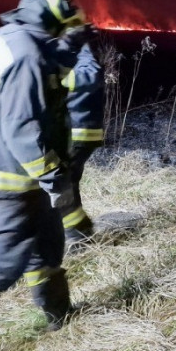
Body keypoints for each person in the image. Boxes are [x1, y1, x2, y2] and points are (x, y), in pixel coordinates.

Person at [0, 0, 82, 351]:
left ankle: (60, 315)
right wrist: (54, 177)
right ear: (45, 5)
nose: (72, 7)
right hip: (10, 178)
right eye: (66, 1)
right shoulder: (25, 51)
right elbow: (24, 128)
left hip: (20, 175)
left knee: (46, 247)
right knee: (0, 266)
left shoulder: (13, 38)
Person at [57, 39, 105, 249]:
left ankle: (77, 238)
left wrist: (54, 79)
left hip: (76, 133)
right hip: (75, 133)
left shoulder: (78, 51)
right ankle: (77, 234)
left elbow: (91, 73)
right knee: (66, 184)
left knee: (62, 185)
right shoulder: (60, 49)